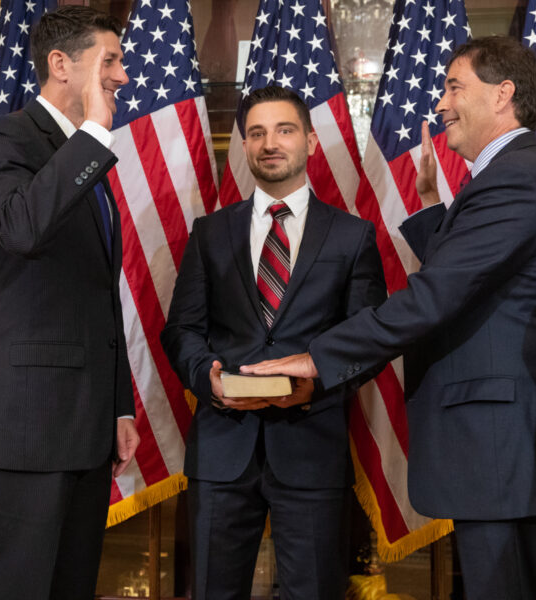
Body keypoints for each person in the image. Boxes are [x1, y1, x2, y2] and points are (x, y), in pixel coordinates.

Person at [243, 38, 536, 600]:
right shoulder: (512, 174)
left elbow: (435, 298)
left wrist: (317, 356)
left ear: (503, 94)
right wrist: (434, 208)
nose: (442, 103)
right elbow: (479, 280)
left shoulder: (518, 176)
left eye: (455, 86)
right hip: (503, 454)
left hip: (506, 452)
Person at [160, 85, 387, 600]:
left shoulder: (353, 236)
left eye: (284, 130)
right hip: (222, 449)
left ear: (309, 141)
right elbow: (182, 330)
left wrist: (316, 387)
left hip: (311, 446)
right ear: (243, 145)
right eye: (256, 133)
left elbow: (367, 337)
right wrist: (209, 379)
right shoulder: (210, 233)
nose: (270, 143)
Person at [0, 6, 140, 599]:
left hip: (85, 430)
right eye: (109, 61)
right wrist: (92, 136)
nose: (123, 76)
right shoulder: (5, 138)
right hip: (25, 428)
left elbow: (93, 296)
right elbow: (21, 228)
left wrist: (119, 406)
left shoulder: (86, 157)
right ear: (61, 65)